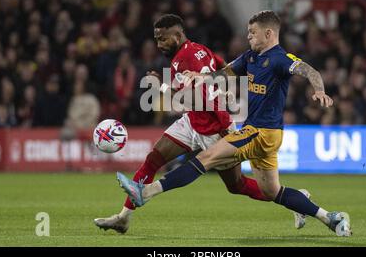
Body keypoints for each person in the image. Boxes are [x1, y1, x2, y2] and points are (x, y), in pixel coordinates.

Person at [117, 11, 352, 237]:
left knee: (205, 159)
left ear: (269, 34)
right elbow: (225, 72)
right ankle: (331, 218)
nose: (248, 36)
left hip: (260, 132)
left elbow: (309, 71)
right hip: (261, 134)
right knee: (272, 192)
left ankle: (145, 192)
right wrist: (202, 77)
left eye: (253, 32)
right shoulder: (250, 57)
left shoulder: (280, 58)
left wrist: (319, 90)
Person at [94, 14, 269, 234]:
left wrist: (162, 87)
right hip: (192, 121)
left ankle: (292, 199)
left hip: (215, 130)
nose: (159, 45)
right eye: (157, 39)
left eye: (163, 39)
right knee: (153, 160)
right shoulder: (200, 49)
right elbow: (223, 65)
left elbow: (195, 98)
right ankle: (123, 218)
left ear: (177, 35)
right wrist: (224, 89)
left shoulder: (185, 59)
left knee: (238, 186)